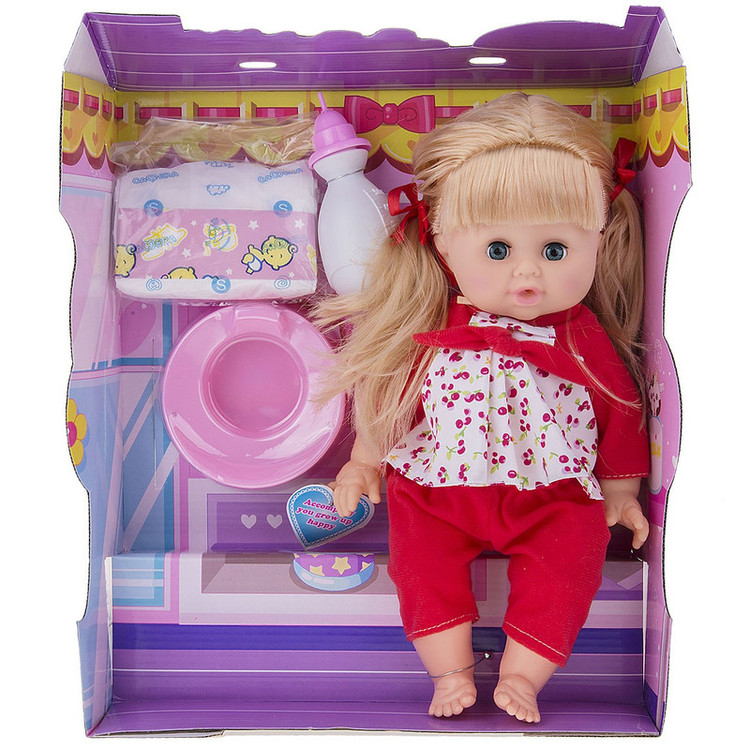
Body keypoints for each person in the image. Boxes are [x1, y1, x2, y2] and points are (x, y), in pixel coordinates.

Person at [315, 92, 650, 723]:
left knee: (572, 563)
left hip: (552, 496)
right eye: (498, 250)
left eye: (555, 250)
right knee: (419, 563)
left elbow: (619, 405)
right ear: (443, 244)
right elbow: (390, 394)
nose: (528, 274)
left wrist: (621, 488)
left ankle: (523, 675)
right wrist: (364, 460)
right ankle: (449, 671)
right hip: (437, 489)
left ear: (598, 240)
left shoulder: (580, 336)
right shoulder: (431, 325)